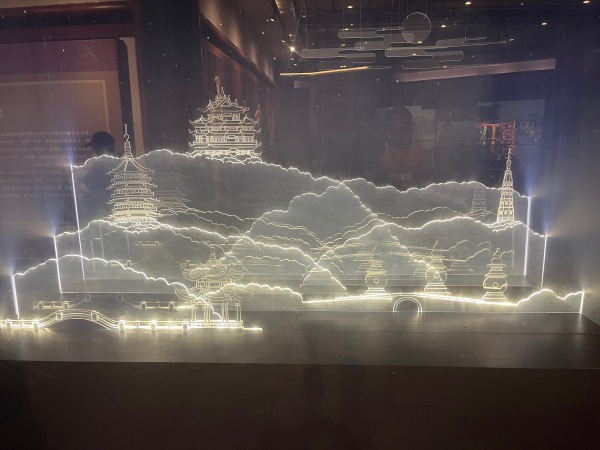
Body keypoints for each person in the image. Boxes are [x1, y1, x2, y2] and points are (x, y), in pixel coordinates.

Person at [377, 107, 427, 187]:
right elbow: (376, 178)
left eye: (404, 122)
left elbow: (425, 178)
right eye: (395, 122)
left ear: (410, 125)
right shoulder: (380, 150)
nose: (400, 125)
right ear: (388, 125)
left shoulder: (420, 151)